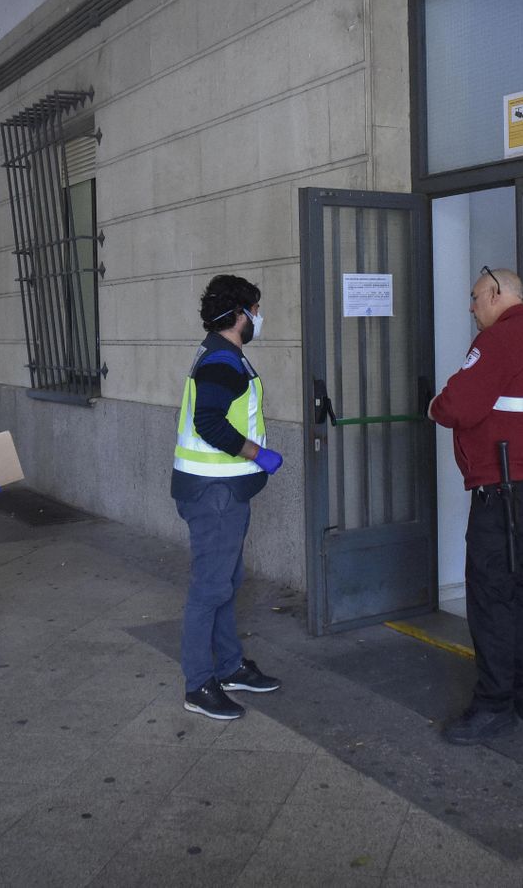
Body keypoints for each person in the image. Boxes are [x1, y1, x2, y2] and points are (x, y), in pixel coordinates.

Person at [428, 266, 523, 745]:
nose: (471, 306)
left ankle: (493, 704)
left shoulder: (501, 339)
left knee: (490, 593)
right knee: (520, 585)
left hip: (502, 487)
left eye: (475, 297)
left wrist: (434, 406)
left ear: (497, 293)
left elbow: (458, 405)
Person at [171, 274, 285, 720]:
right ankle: (199, 685)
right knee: (210, 589)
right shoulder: (222, 361)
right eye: (255, 309)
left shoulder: (223, 353)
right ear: (238, 314)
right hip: (213, 493)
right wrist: (260, 454)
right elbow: (209, 422)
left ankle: (229, 665)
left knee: (227, 583)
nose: (258, 317)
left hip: (219, 491)